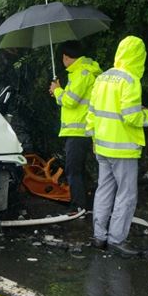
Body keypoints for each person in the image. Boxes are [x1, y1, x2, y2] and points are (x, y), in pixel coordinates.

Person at [86, 36, 148, 258]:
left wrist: (94, 140)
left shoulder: (103, 78)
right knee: (126, 194)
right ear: (139, 57)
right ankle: (117, 239)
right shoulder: (130, 80)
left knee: (104, 190)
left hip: (102, 146)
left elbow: (92, 113)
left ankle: (99, 236)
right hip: (123, 148)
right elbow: (131, 117)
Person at [49, 41, 102, 210]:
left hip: (79, 130)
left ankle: (78, 207)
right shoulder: (84, 71)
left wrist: (57, 90)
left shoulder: (81, 73)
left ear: (65, 57)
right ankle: (88, 204)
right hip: (85, 129)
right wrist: (59, 91)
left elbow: (70, 101)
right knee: (80, 170)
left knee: (73, 170)